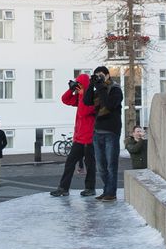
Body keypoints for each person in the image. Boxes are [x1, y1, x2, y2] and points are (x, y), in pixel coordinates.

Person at [50, 74, 97, 197]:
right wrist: (71, 89)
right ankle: (63, 188)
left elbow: (83, 112)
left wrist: (82, 94)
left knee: (90, 165)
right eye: (77, 84)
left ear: (85, 85)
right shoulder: (81, 97)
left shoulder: (92, 98)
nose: (78, 86)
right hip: (79, 138)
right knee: (70, 163)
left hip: (89, 138)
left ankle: (90, 188)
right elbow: (65, 99)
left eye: (80, 84)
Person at [83, 66, 123, 201]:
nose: (99, 78)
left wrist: (100, 87)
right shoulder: (98, 89)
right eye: (96, 75)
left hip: (111, 131)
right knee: (101, 166)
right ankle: (107, 190)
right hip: (97, 131)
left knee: (111, 165)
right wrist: (91, 84)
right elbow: (86, 101)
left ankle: (111, 193)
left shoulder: (115, 89)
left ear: (107, 76)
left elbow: (109, 105)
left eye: (100, 75)